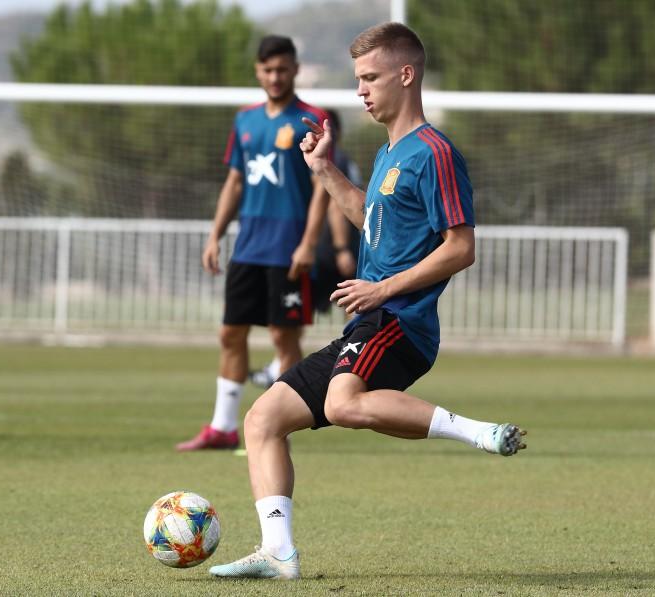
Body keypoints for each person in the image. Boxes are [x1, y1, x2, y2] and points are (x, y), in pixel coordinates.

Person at [208, 23, 525, 580]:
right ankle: (278, 553)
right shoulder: (388, 153)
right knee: (261, 421)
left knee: (341, 403)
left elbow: (461, 247)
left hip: (400, 321)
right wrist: (324, 170)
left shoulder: (434, 153)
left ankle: (477, 431)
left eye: (370, 78)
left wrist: (382, 288)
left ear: (406, 75)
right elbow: (371, 224)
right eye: (358, 79)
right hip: (369, 321)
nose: (361, 90)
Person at [176, 35, 330, 451]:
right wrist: (215, 235)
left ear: (295, 69)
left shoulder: (313, 118)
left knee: (284, 338)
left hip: (288, 246)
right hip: (248, 247)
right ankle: (223, 427)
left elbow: (322, 186)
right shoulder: (244, 120)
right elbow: (235, 181)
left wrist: (309, 242)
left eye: (282, 69)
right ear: (258, 72)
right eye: (267, 70)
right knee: (230, 332)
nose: (275, 76)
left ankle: (284, 424)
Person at [248, 109, 361, 389]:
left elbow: (336, 204)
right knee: (299, 313)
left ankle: (354, 369)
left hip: (327, 251)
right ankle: (283, 366)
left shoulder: (334, 161)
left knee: (300, 314)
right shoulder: (332, 159)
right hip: (328, 250)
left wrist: (341, 248)